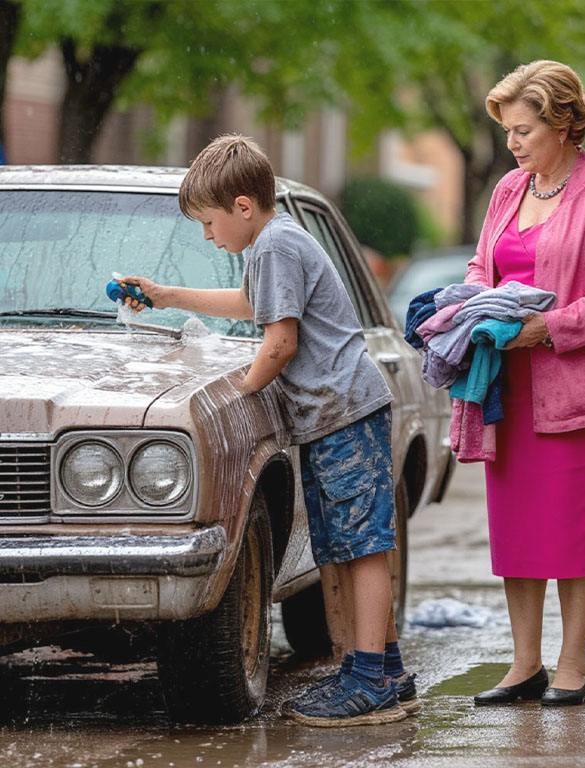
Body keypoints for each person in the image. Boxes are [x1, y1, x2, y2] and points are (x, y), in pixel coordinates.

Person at [119, 134, 418, 726]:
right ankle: (384, 671)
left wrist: (239, 390)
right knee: (349, 543)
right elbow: (251, 304)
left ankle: (370, 679)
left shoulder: (275, 246)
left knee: (362, 546)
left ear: (242, 206)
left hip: (345, 412)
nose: (208, 236)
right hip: (338, 412)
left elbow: (279, 342)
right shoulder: (273, 245)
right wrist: (168, 295)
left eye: (208, 223)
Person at [465, 61, 585, 706]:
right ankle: (524, 664)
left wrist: (551, 328)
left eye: (523, 130)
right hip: (505, 385)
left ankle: (572, 664)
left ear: (564, 123)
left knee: (571, 531)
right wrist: (465, 308)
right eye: (508, 131)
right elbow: (481, 264)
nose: (512, 144)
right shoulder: (509, 191)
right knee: (516, 531)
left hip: (575, 387)